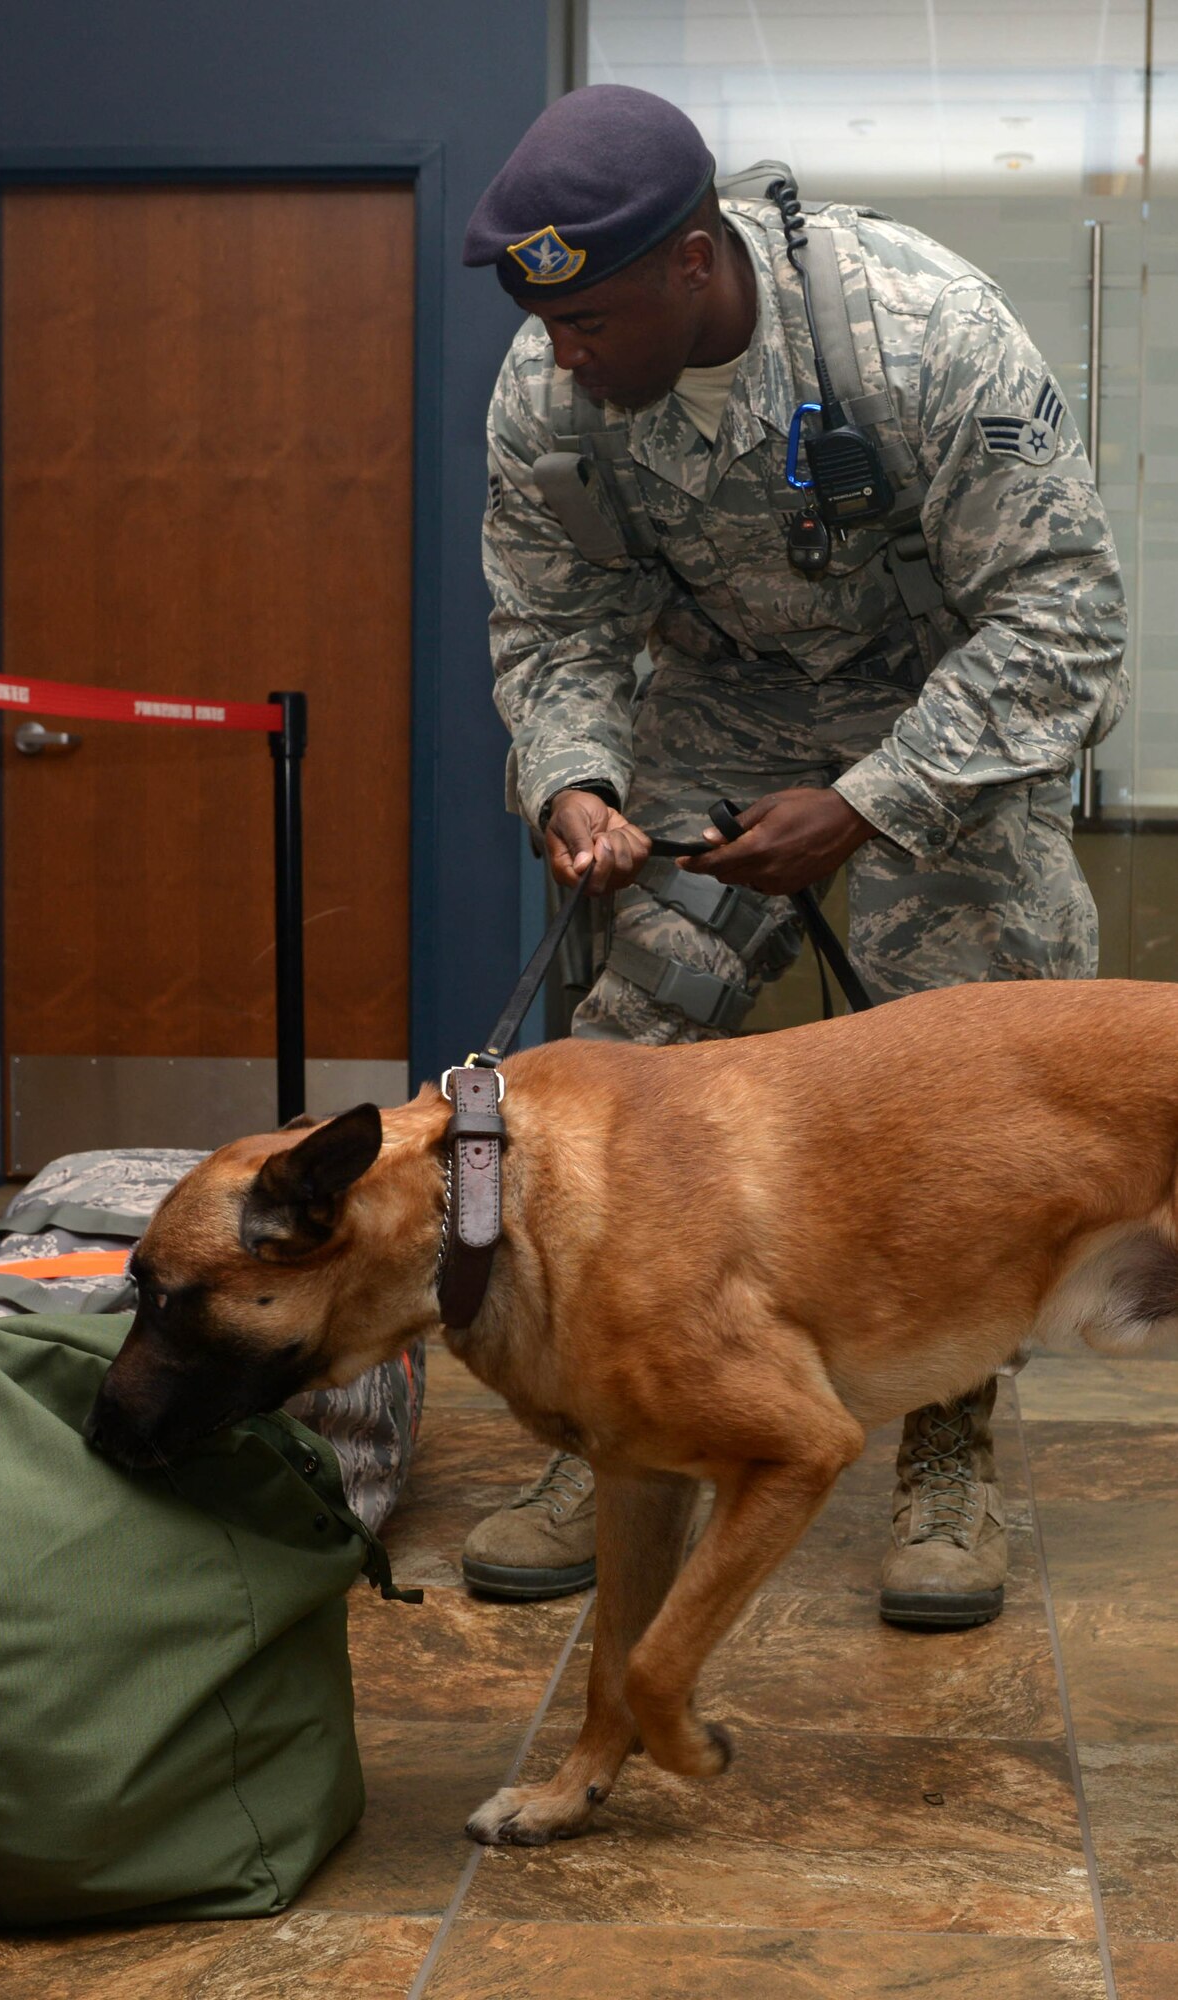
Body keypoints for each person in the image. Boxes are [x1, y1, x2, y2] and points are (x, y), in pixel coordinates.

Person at [458, 85, 1127, 1628]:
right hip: (718, 723)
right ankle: (604, 1432)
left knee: (977, 1105)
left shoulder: (918, 333)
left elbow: (1067, 622)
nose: (565, 354)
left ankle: (947, 1463)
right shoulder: (548, 383)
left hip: (949, 720)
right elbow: (552, 623)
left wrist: (878, 796)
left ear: (697, 261)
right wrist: (574, 781)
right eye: (545, 323)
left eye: (596, 319)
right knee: (612, 1084)